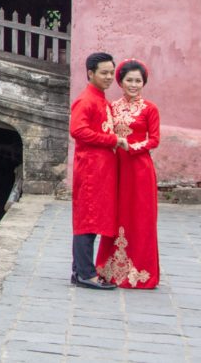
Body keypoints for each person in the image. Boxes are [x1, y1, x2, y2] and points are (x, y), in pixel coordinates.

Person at [95, 59, 161, 288]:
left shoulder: (150, 109)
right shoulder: (111, 107)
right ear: (120, 82)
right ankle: (110, 268)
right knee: (115, 214)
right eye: (129, 80)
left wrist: (132, 147)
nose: (134, 85)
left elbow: (154, 140)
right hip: (116, 167)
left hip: (140, 169)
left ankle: (140, 271)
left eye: (138, 81)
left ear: (144, 83)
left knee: (140, 217)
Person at [70, 51, 128, 290]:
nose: (108, 77)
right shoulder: (86, 100)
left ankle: (81, 271)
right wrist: (111, 140)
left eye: (111, 72)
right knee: (88, 220)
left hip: (100, 169)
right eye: (103, 73)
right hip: (91, 169)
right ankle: (85, 274)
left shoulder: (100, 100)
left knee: (93, 218)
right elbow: (78, 131)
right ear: (90, 73)